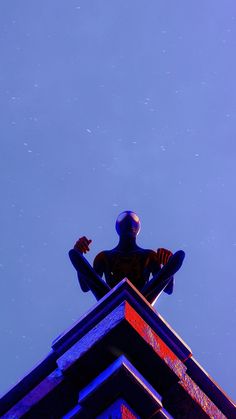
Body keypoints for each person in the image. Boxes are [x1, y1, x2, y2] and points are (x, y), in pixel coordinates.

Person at [69, 211, 185, 305]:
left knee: (180, 255)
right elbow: (86, 286)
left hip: (143, 298)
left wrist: (168, 263)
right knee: (73, 254)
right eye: (125, 222)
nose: (129, 225)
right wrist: (78, 253)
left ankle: (130, 301)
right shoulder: (104, 257)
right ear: (118, 228)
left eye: (133, 222)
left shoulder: (149, 255)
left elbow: (168, 288)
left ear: (137, 228)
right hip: (111, 299)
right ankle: (117, 300)